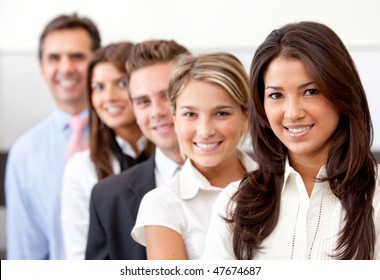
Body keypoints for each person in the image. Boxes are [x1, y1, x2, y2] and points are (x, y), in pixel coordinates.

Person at [202, 21, 380, 260]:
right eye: (276, 95)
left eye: (311, 91)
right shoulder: (234, 203)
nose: (293, 113)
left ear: (343, 93)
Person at [131, 52, 257, 260]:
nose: (205, 130)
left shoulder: (280, 185)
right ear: (175, 120)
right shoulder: (161, 204)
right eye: (190, 114)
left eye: (222, 113)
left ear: (245, 117)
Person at [5, 13, 101, 259]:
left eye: (77, 56)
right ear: (42, 70)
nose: (66, 67)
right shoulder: (24, 153)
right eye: (54, 58)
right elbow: (25, 253)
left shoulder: (128, 135)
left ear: (97, 65)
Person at [85, 39, 190, 260]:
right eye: (143, 101)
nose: (156, 112)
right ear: (133, 108)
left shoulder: (254, 179)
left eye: (167, 95)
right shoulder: (107, 197)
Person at [61, 42, 154, 259]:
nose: (109, 97)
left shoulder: (171, 156)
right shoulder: (81, 168)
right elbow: (79, 258)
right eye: (99, 87)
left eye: (121, 83)